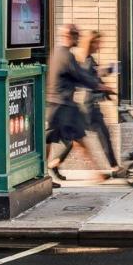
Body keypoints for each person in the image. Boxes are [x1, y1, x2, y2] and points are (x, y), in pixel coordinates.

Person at [45, 23, 113, 186]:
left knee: (62, 140)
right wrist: (100, 86)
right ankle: (96, 174)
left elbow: (78, 76)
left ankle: (95, 173)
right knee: (75, 140)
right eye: (75, 34)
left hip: (58, 104)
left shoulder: (58, 53)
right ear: (68, 36)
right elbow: (80, 75)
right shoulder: (66, 56)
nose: (78, 38)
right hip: (63, 105)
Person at [78, 30, 121, 177]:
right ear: (92, 43)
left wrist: (108, 90)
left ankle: (55, 163)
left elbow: (96, 75)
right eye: (98, 42)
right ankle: (114, 167)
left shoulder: (89, 59)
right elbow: (92, 81)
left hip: (89, 104)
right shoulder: (87, 61)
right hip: (89, 106)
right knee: (104, 135)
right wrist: (107, 88)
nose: (100, 45)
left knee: (75, 138)